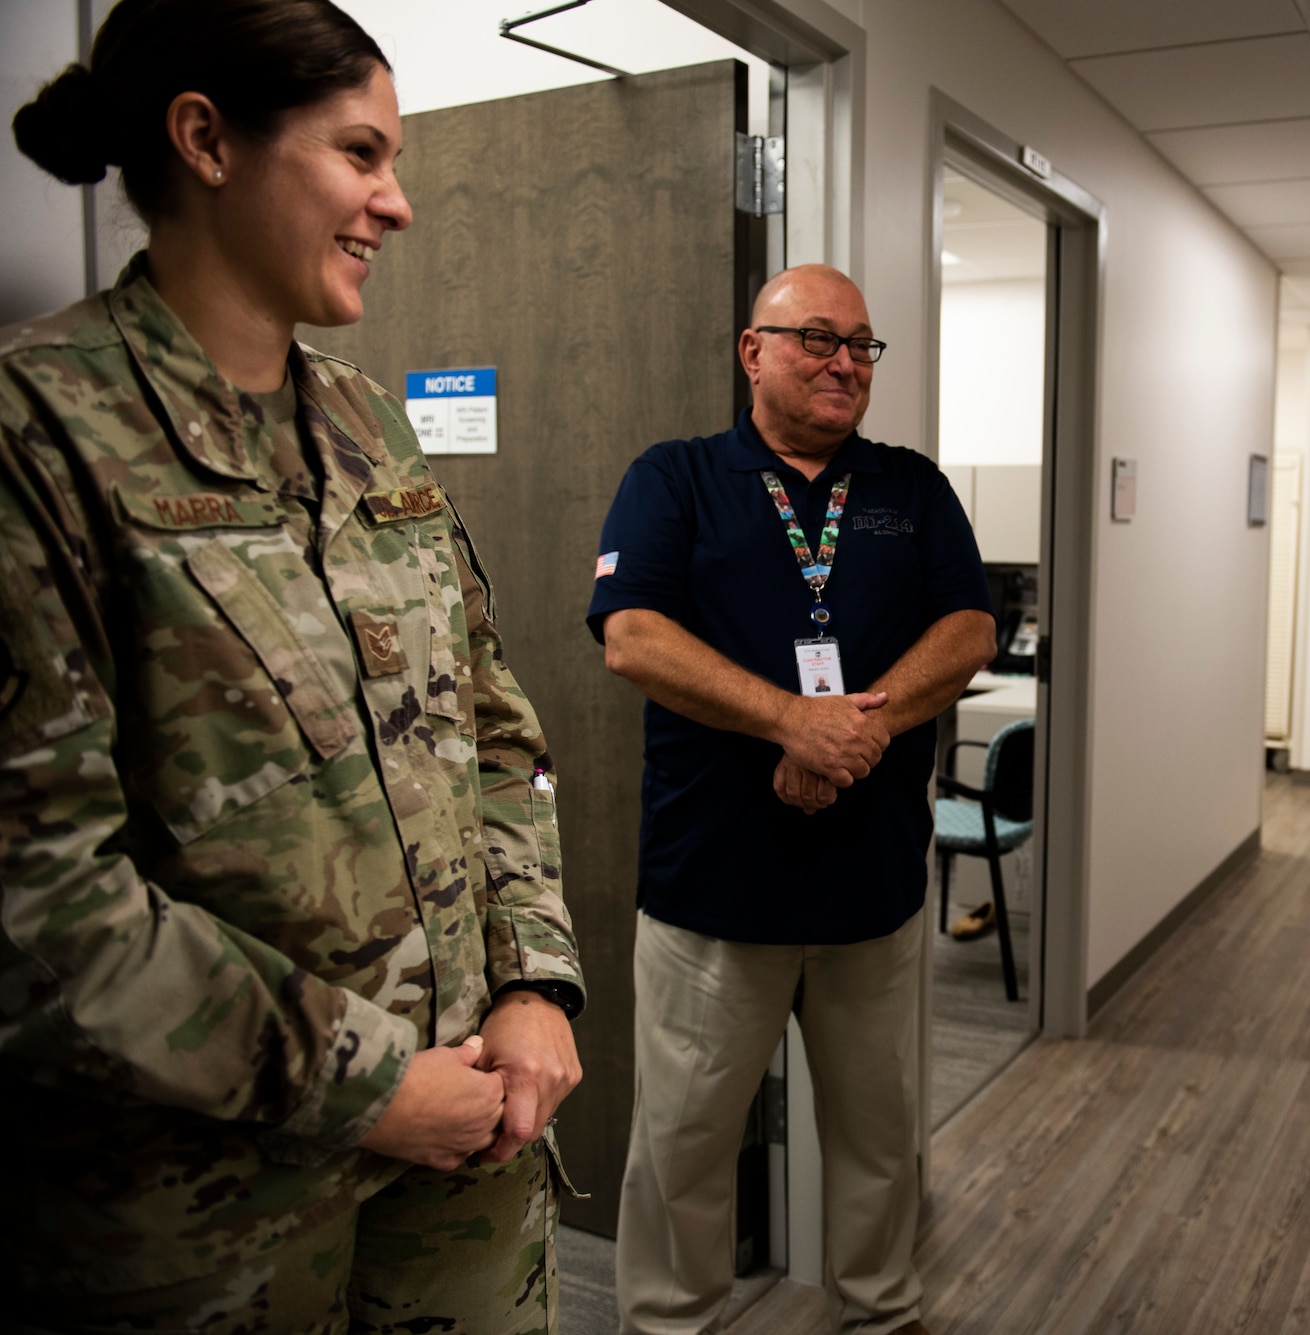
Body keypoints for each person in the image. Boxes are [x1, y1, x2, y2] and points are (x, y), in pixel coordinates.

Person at [1, 1, 585, 1329]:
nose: (398, 202)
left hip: (469, 1168)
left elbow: (502, 734)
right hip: (209, 1221)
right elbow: (41, 905)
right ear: (207, 140)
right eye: (361, 154)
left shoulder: (372, 426)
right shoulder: (39, 434)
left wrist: (533, 978)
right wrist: (371, 1081)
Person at [590, 263, 997, 1335]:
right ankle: (667, 1325)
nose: (842, 362)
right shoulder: (673, 478)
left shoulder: (909, 489)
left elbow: (967, 631)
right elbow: (631, 636)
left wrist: (852, 729)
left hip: (872, 888)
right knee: (682, 1146)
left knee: (878, 1135)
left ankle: (881, 1309)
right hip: (711, 890)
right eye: (816, 338)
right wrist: (787, 719)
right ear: (751, 350)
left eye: (860, 345)